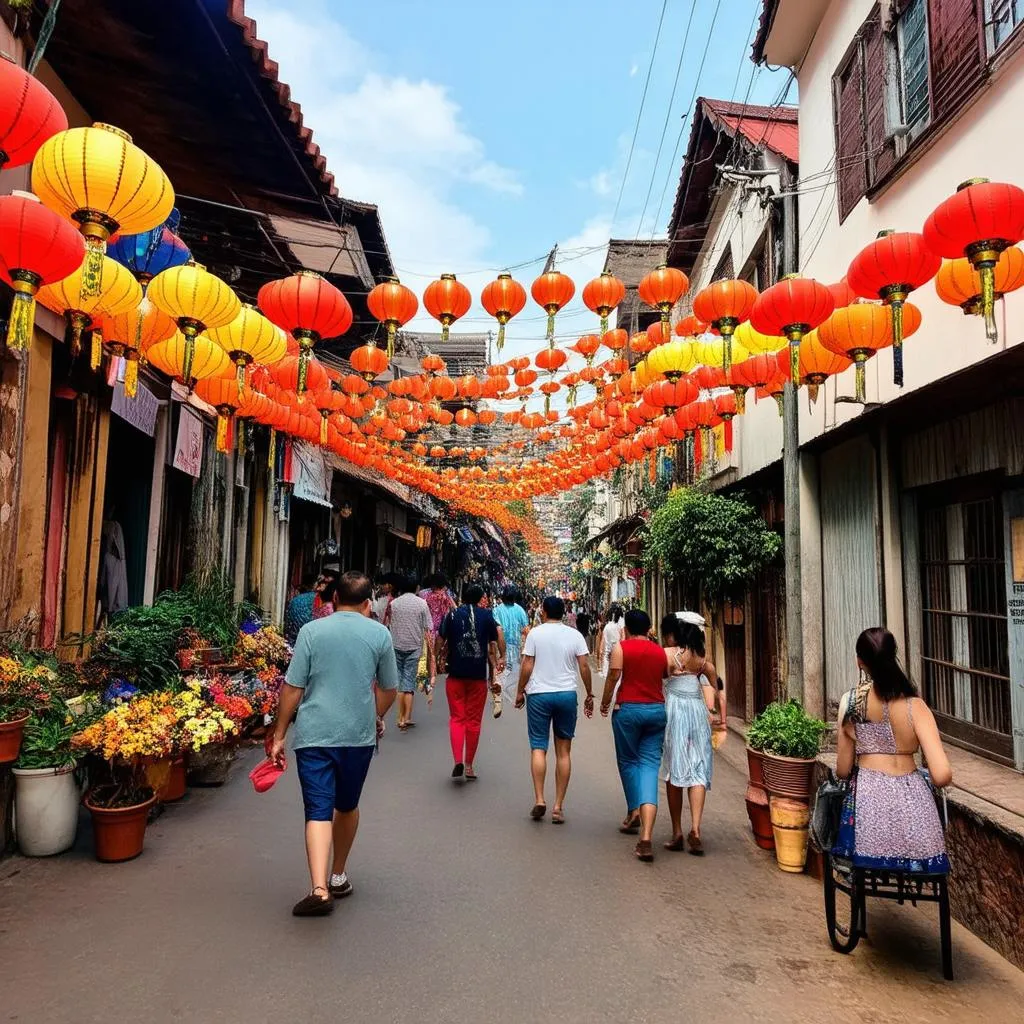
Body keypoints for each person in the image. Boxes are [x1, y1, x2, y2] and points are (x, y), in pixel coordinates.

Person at [268, 571, 398, 917]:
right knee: (347, 805)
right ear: (369, 604)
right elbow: (388, 689)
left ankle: (319, 888)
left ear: (335, 599)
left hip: (313, 736)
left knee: (317, 810)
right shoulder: (380, 634)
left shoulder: (312, 632)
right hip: (357, 737)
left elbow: (293, 687)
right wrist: (377, 717)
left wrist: (279, 734)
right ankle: (338, 874)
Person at [833, 627, 951, 874]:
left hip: (868, 813)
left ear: (860, 662)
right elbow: (941, 776)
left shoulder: (852, 704)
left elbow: (843, 771)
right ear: (893, 655)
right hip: (916, 819)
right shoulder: (916, 707)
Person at [515, 596, 593, 824]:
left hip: (539, 695)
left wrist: (520, 691)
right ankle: (558, 807)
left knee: (539, 747)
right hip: (566, 695)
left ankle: (540, 798)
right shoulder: (575, 635)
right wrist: (589, 693)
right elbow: (585, 666)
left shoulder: (535, 634)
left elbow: (527, 664)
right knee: (564, 752)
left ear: (544, 611)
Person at [601, 609, 668, 862]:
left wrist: (605, 702)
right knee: (650, 767)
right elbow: (664, 676)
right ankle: (647, 836)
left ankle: (633, 810)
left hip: (628, 710)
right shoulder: (659, 651)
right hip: (656, 711)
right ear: (649, 628)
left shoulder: (622, 648)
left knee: (628, 762)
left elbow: (613, 676)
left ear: (626, 627)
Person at [660, 617, 717, 854]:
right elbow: (715, 685)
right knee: (697, 768)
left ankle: (677, 832)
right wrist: (714, 711)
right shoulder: (702, 660)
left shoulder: (668, 654)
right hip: (697, 711)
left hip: (674, 712)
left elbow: (657, 678)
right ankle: (695, 827)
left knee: (674, 768)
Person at [439, 584, 505, 780]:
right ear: (479, 598)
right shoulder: (486, 616)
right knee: (473, 721)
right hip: (477, 677)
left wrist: (437, 659)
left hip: (455, 676)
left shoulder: (451, 615)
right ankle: (468, 766)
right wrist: (502, 657)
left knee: (456, 718)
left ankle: (457, 759)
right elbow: (497, 636)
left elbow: (440, 638)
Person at [385, 575, 435, 730]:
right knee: (409, 683)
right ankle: (406, 718)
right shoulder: (422, 604)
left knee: (400, 682)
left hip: (396, 645)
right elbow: (429, 626)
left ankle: (400, 718)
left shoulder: (394, 603)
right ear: (416, 588)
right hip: (414, 647)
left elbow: (387, 623)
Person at [492, 586, 530, 717]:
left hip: (500, 646)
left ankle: (498, 698)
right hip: (515, 646)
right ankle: (515, 696)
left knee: (499, 672)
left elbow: (496, 629)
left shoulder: (496, 610)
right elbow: (526, 630)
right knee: (513, 673)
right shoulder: (520, 610)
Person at [422, 573, 457, 673]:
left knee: (430, 652)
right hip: (442, 628)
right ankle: (437, 669)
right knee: (436, 652)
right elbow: (455, 609)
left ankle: (430, 673)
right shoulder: (446, 596)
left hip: (429, 627)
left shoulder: (426, 595)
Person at [284, 574, 317, 644]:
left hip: (295, 641)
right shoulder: (317, 599)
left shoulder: (294, 600)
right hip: (312, 641)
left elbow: (288, 625)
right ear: (315, 585)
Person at [597, 605, 625, 679]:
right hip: (618, 651)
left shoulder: (608, 626)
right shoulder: (621, 622)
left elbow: (603, 639)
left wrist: (600, 651)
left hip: (608, 652)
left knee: (608, 676)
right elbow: (623, 636)